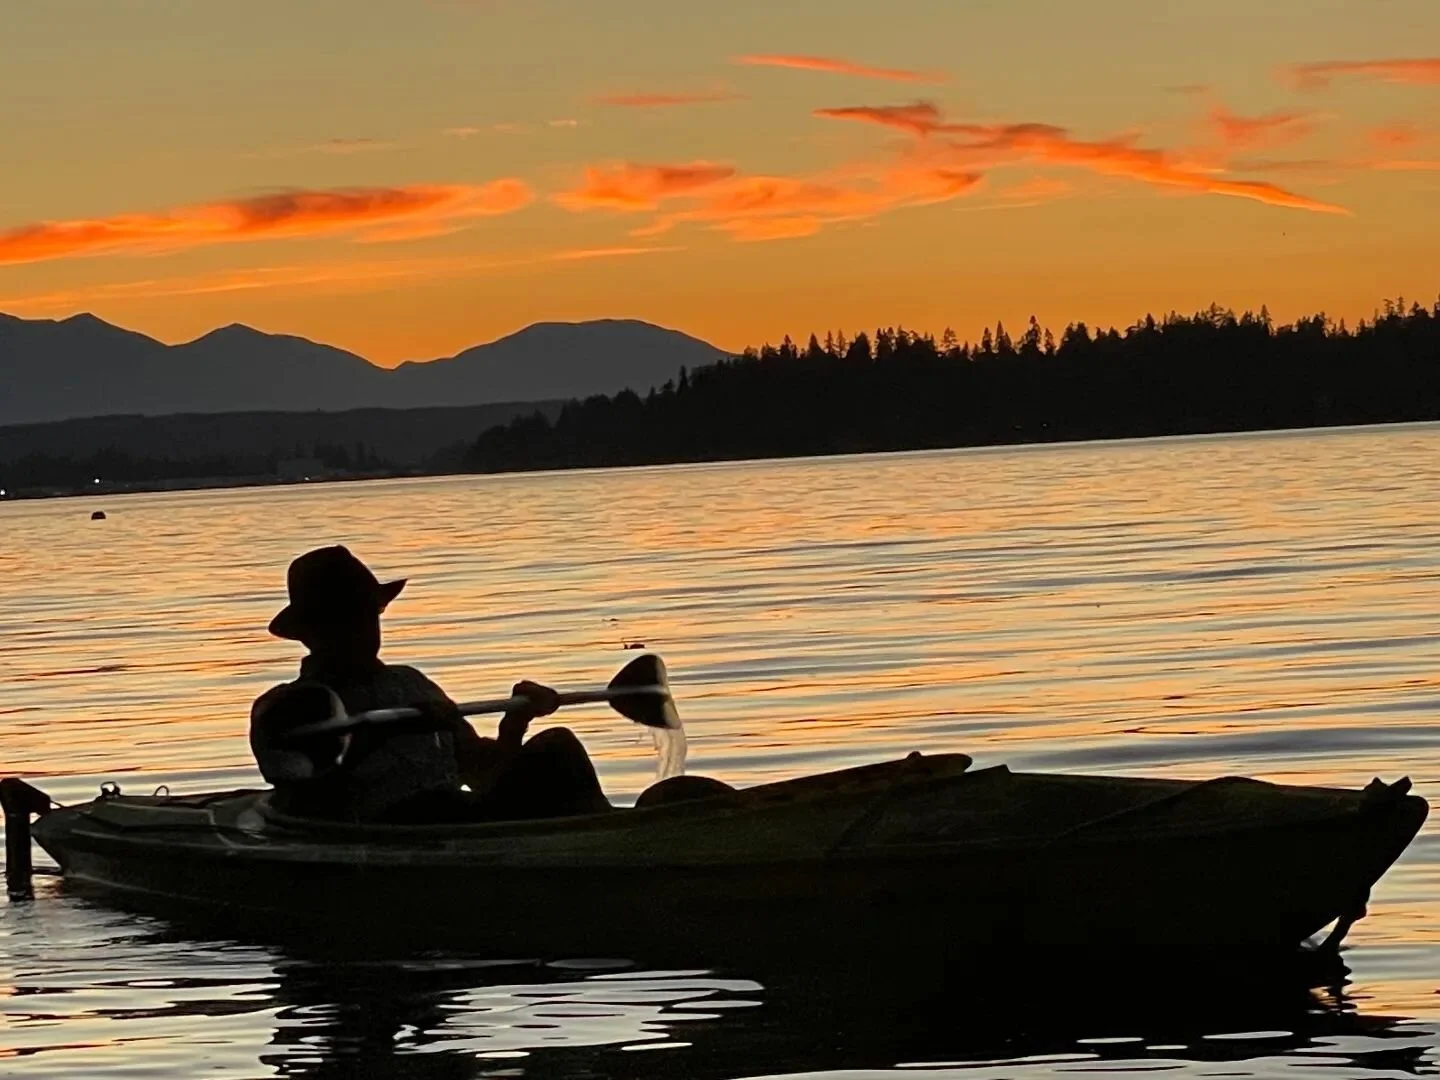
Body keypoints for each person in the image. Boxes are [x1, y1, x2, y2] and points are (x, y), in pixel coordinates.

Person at [250, 545, 612, 824]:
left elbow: (484, 773)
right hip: (386, 840)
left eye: (366, 615)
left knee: (556, 748)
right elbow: (306, 796)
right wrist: (385, 730)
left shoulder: (410, 684)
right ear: (310, 632)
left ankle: (610, 836)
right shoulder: (287, 708)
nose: (359, 630)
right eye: (343, 619)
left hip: (460, 826)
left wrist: (515, 723)